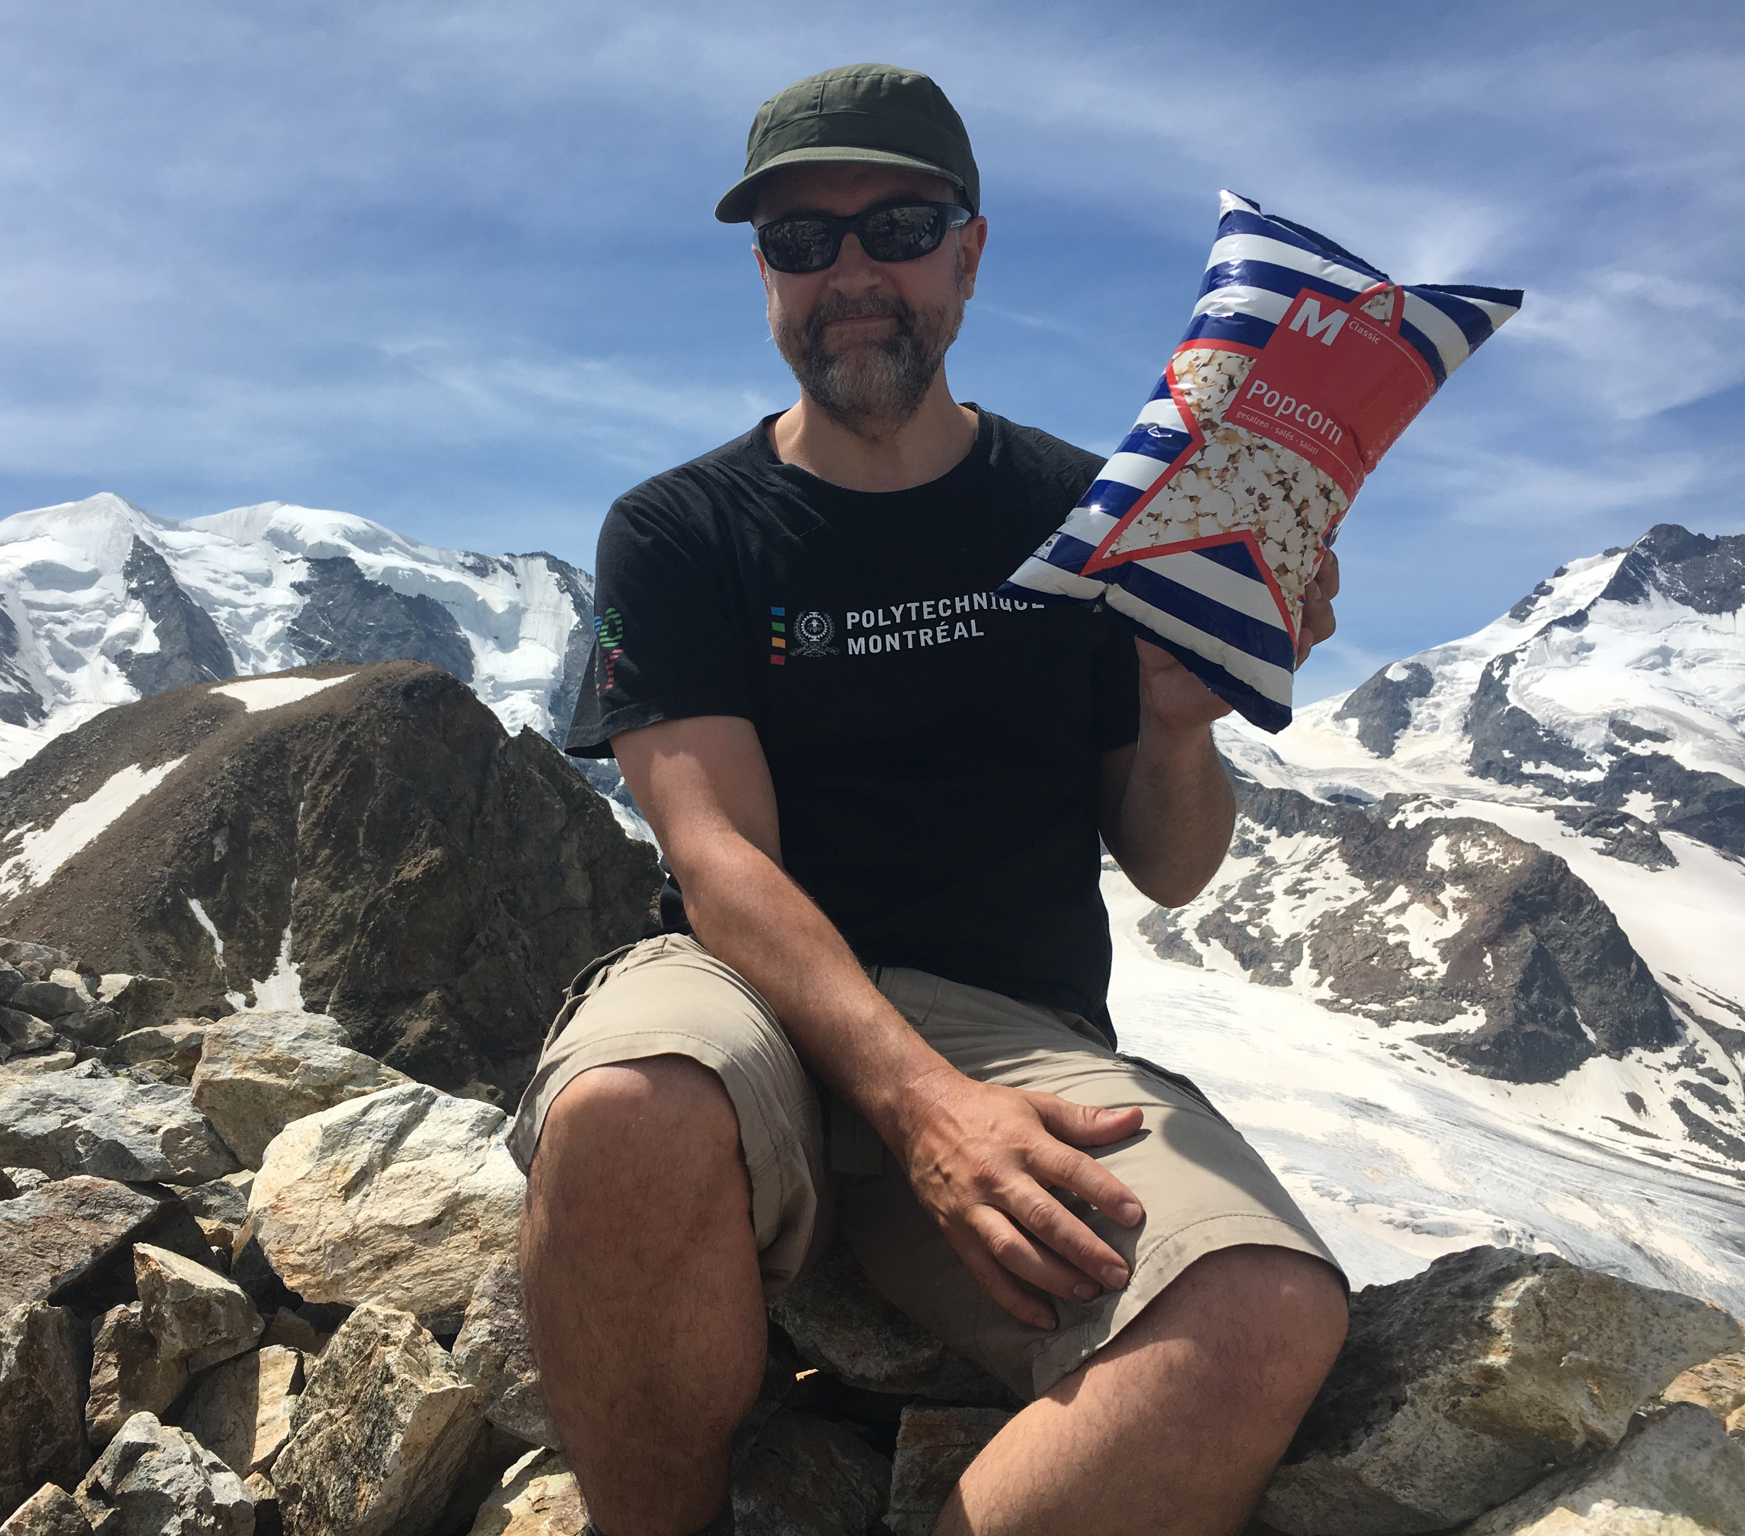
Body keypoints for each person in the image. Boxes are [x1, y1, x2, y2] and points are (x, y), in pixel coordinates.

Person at [509, 62, 1349, 1536]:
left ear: (969, 253)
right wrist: (921, 1107)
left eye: (897, 228)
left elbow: (1169, 864)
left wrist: (1175, 729)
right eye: (801, 239)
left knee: (1257, 1314)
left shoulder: (1093, 516)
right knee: (628, 1110)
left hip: (1014, 1029)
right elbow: (717, 854)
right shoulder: (680, 529)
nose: (851, 275)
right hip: (744, 989)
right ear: (765, 276)